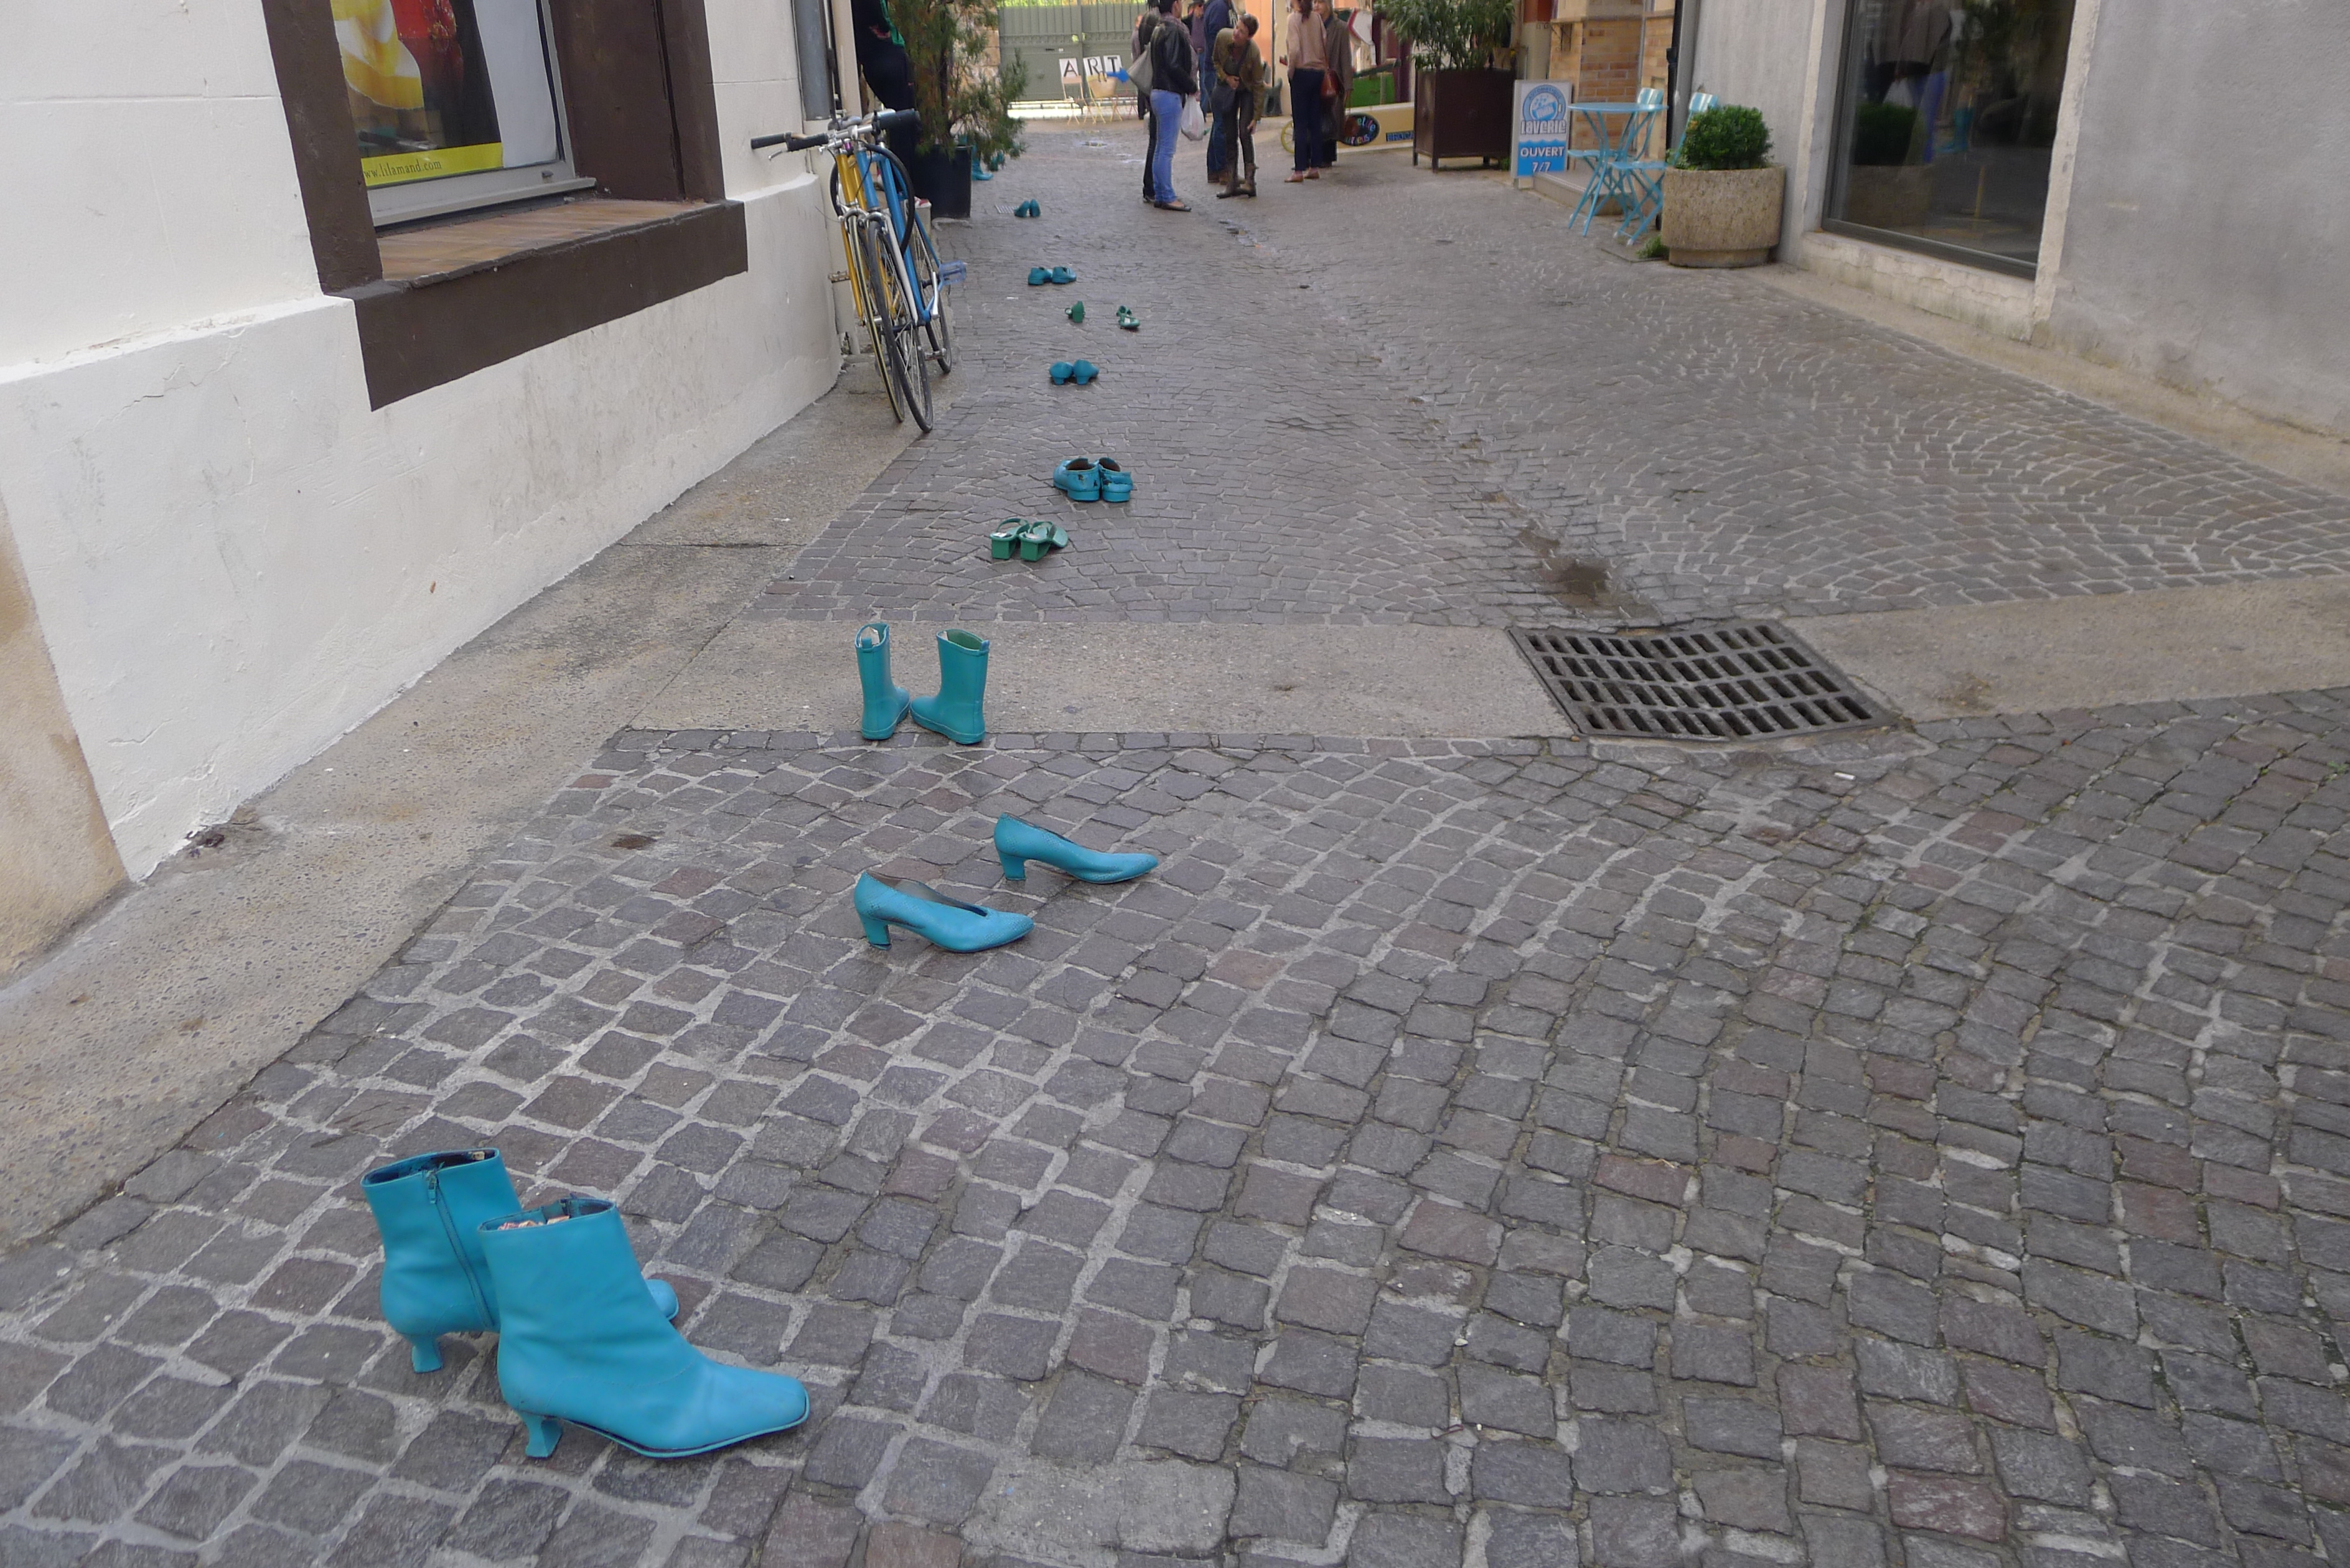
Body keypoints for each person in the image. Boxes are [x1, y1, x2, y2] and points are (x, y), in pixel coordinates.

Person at [1143, 0, 1197, 210]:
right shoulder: (1174, 30)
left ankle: (1160, 192)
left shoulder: (1158, 28)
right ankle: (1166, 195)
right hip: (1169, 93)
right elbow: (1174, 65)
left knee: (1160, 148)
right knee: (1166, 150)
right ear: (1175, 5)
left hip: (1158, 91)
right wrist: (1191, 86)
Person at [1212, 14, 1263, 197]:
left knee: (1244, 132)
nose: (1236, 33)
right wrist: (1226, 78)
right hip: (1229, 89)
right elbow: (1216, 61)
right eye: (1236, 28)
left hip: (1246, 90)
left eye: (1241, 32)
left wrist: (1256, 117)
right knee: (1230, 134)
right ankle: (1232, 182)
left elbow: (1258, 85)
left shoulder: (1253, 53)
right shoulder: (1222, 37)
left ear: (1249, 36)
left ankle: (1250, 182)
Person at [1279, 0, 1329, 182]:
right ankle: (1315, 166)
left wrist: (1291, 71)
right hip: (1318, 72)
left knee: (1300, 123)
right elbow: (1324, 42)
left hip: (1301, 72)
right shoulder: (1317, 18)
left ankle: (1299, 169)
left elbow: (1294, 50)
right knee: (1315, 121)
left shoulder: (1293, 19)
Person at [1197, 0, 1235, 185]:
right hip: (1216, 72)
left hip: (1213, 71)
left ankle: (1214, 169)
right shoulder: (1220, 7)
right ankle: (1222, 170)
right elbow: (1219, 42)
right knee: (1222, 123)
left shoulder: (1218, 6)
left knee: (1219, 122)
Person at [1315, 0, 1353, 170]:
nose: (1316, 6)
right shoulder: (1311, 25)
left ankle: (1328, 156)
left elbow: (1346, 57)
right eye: (1314, 2)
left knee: (1331, 116)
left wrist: (1348, 85)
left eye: (1320, 2)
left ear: (1329, 5)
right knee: (1314, 116)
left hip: (1333, 79)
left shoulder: (1341, 28)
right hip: (1314, 77)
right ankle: (1314, 156)